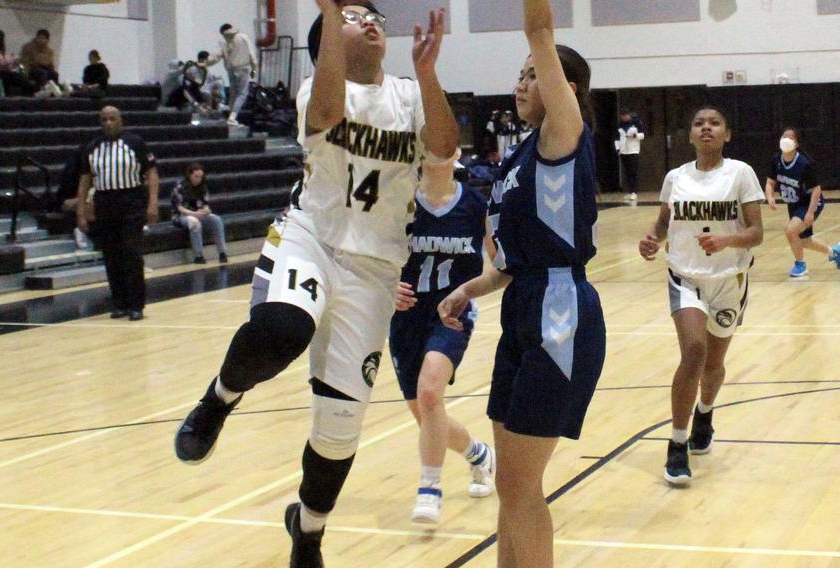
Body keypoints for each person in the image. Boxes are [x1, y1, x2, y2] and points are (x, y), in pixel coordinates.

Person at [173, 3, 458, 566]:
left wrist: (428, 76)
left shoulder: (406, 94)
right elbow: (327, 113)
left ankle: (308, 530)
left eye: (374, 15)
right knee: (283, 328)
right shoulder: (316, 88)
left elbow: (444, 150)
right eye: (353, 16)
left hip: (375, 269)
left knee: (339, 429)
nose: (371, 20)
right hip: (312, 237)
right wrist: (330, 14)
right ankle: (219, 398)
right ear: (328, 35)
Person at [438, 2, 605, 565]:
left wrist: (540, 43)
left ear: (567, 87)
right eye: (520, 73)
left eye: (533, 73)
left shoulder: (563, 134)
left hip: (562, 312)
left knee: (521, 487)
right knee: (511, 489)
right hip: (522, 308)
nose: (521, 81)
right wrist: (468, 290)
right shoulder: (517, 160)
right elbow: (509, 264)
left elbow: (539, 28)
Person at [638, 105, 764, 487]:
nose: (706, 128)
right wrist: (652, 240)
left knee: (714, 364)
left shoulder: (740, 173)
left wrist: (727, 239)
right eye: (698, 123)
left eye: (714, 123)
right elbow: (663, 224)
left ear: (726, 134)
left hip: (729, 278)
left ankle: (705, 413)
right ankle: (677, 444)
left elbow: (757, 232)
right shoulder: (676, 177)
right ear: (690, 135)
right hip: (685, 276)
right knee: (693, 352)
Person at [389, 151, 496, 525]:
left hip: (451, 314)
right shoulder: (397, 200)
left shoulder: (477, 204)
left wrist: (468, 294)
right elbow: (370, 258)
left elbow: (501, 264)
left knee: (431, 392)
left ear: (454, 152)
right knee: (427, 415)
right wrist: (386, 287)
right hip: (404, 317)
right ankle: (479, 455)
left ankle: (430, 488)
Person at [76, 106, 159, 321]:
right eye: (103, 119)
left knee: (131, 251)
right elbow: (85, 180)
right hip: (104, 202)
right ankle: (120, 303)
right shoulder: (92, 147)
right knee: (111, 254)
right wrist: (81, 210)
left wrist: (152, 204)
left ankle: (136, 304)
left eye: (112, 119)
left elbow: (152, 174)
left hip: (131, 200)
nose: (108, 123)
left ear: (120, 120)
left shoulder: (135, 143)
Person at [764, 127, 840, 277]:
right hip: (794, 203)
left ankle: (800, 265)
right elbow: (770, 183)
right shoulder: (776, 160)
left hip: (810, 202)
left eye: (790, 137)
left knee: (791, 231)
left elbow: (816, 189)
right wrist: (770, 197)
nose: (786, 139)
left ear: (796, 143)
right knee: (804, 240)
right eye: (784, 136)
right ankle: (834, 252)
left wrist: (810, 212)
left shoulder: (804, 163)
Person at [171, 162, 228, 264]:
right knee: (194, 222)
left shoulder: (203, 187)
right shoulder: (179, 187)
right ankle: (198, 255)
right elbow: (179, 207)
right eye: (196, 176)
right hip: (182, 215)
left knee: (216, 220)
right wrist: (193, 214)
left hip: (197, 213)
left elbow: (205, 204)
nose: (198, 179)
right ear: (189, 175)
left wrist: (206, 211)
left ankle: (222, 252)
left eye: (200, 177)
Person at [207, 23, 257, 126]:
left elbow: (216, 57)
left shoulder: (223, 42)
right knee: (242, 94)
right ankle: (232, 117)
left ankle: (230, 116)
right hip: (243, 68)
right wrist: (254, 68)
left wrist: (205, 63)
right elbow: (251, 54)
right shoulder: (243, 37)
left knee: (233, 94)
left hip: (231, 70)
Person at [0, 30, 32, 96]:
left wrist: (13, 62)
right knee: (18, 77)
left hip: (2, 71)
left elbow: (5, 63)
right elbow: (1, 64)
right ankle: (31, 92)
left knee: (19, 75)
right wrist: (12, 59)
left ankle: (29, 92)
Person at [20, 29, 69, 96]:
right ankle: (43, 91)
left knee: (54, 74)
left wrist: (46, 63)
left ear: (48, 40)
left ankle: (56, 91)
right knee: (43, 73)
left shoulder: (49, 51)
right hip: (32, 69)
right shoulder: (28, 47)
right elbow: (25, 62)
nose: (40, 40)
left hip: (45, 68)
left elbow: (49, 63)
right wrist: (26, 77)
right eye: (39, 38)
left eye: (43, 38)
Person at [616, 109, 645, 201]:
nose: (624, 117)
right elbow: (616, 138)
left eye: (626, 115)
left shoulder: (636, 123)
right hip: (623, 151)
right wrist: (618, 149)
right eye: (622, 116)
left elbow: (643, 135)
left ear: (629, 115)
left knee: (633, 171)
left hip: (633, 150)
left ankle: (634, 192)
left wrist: (635, 136)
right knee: (627, 172)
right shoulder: (619, 125)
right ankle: (629, 191)